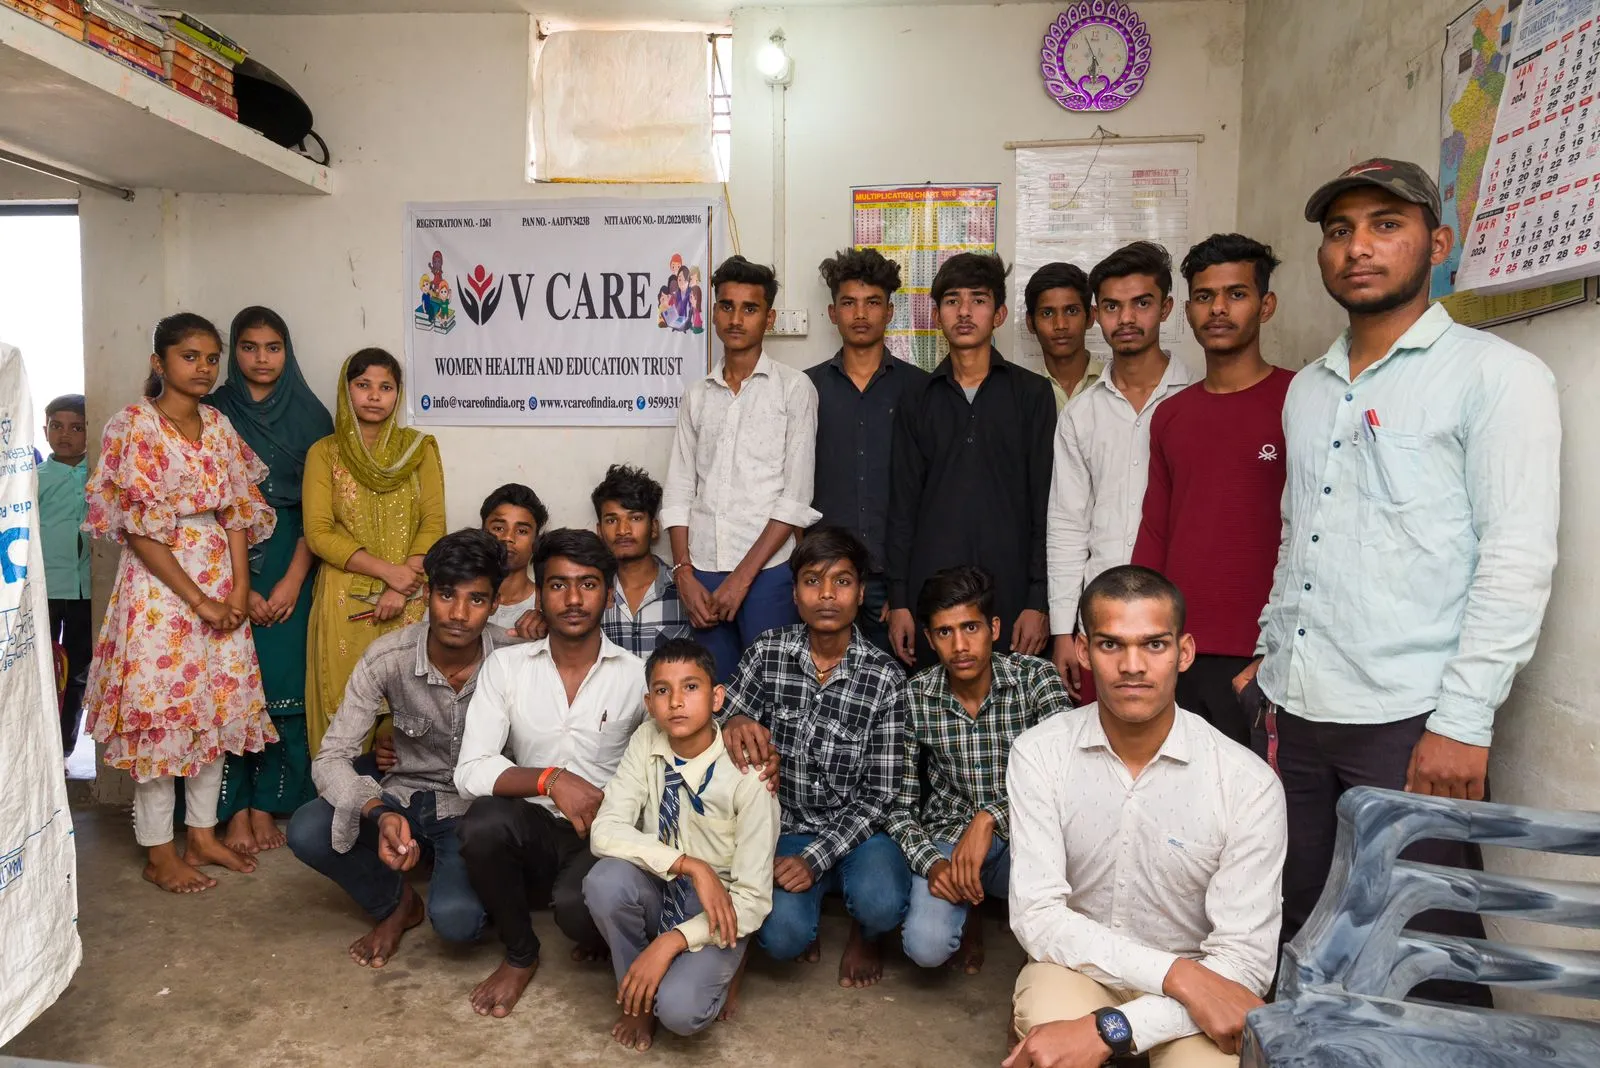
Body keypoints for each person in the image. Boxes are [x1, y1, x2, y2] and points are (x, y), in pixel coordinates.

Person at [1236, 159, 1560, 1006]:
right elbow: (1299, 533)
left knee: (1427, 945)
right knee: (1302, 924)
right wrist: (1271, 654)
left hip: (1409, 719)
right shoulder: (1309, 390)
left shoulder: (1496, 376)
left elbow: (1516, 556)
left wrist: (1463, 721)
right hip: (1298, 707)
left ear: (1437, 244)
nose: (1359, 248)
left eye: (1386, 225)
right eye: (1340, 231)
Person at [1006, 565, 1285, 1068]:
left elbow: (1245, 963)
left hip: (1203, 985)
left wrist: (1114, 1029)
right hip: (1082, 969)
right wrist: (1175, 975)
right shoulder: (1040, 753)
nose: (1132, 666)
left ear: (1184, 652)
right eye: (1111, 645)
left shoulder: (1247, 783)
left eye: (1154, 645)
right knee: (1046, 1023)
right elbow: (1037, 916)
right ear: (1084, 651)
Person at [80, 313, 278, 893]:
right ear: (158, 362)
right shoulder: (132, 426)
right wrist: (198, 600)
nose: (204, 368)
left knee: (216, 709)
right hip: (160, 589)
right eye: (190, 356)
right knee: (162, 716)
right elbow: (136, 529)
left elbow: (237, 512)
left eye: (212, 358)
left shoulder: (217, 425)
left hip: (218, 573)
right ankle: (159, 851)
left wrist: (236, 589)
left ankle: (202, 834)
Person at [287, 529, 514, 968]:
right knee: (309, 828)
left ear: (495, 604)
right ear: (427, 594)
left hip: (471, 813)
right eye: (446, 595)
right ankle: (396, 904)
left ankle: (446, 873)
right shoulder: (388, 657)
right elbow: (331, 758)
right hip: (403, 797)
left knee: (458, 924)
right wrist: (378, 811)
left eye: (476, 599)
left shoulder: (514, 657)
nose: (459, 614)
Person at [454, 528, 648, 1018]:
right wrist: (551, 779)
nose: (574, 599)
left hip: (602, 833)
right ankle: (520, 954)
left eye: (588, 584)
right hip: (533, 828)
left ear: (608, 594)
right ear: (539, 595)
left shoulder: (637, 676)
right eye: (558, 585)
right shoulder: (507, 666)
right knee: (483, 822)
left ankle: (588, 917)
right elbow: (471, 769)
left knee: (579, 915)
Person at [719, 526, 910, 987]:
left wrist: (815, 859)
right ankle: (810, 908)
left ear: (860, 593)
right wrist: (732, 720)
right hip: (787, 827)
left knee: (882, 904)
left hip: (860, 832)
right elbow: (719, 722)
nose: (827, 595)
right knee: (782, 938)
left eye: (842, 581)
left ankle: (865, 933)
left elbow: (880, 796)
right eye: (812, 581)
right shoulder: (767, 652)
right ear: (795, 593)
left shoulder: (884, 677)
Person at [1130, 236, 1291, 745]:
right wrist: (1144, 633)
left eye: (1236, 294)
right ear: (1188, 311)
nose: (1218, 309)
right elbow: (1156, 532)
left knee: (1264, 792)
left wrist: (1280, 646)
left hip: (1268, 651)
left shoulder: (1300, 400)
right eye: (1204, 296)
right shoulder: (1170, 415)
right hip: (1181, 648)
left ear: (1266, 305)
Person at [585, 637, 781, 1051]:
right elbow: (605, 829)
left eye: (691, 687)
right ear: (649, 703)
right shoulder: (646, 740)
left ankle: (724, 960)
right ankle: (635, 995)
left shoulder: (750, 774)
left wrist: (669, 942)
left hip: (719, 909)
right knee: (605, 880)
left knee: (679, 1012)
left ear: (717, 698)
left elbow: (752, 899)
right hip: (664, 883)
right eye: (662, 690)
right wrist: (690, 864)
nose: (676, 701)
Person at [886, 565, 1073, 973]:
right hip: (949, 835)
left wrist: (990, 817)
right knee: (925, 947)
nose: (960, 646)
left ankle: (1037, 952)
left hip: (1029, 834)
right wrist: (932, 863)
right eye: (945, 632)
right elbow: (898, 806)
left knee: (1080, 874)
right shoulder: (915, 696)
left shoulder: (1036, 679)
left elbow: (1069, 776)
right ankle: (969, 909)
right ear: (930, 639)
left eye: (971, 628)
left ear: (995, 628)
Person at [202, 306, 334, 855]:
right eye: (249, 347)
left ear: (287, 351)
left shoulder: (312, 416)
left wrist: (292, 582)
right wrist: (239, 588)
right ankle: (231, 811)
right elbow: (203, 507)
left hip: (291, 561)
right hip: (218, 563)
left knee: (283, 689)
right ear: (235, 351)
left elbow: (318, 511)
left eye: (273, 347)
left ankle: (266, 804)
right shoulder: (212, 412)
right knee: (229, 690)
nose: (261, 358)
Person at [887, 253, 1056, 669]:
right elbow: (902, 505)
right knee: (935, 699)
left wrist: (1039, 600)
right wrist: (900, 600)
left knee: (1014, 698)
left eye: (978, 300)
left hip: (1011, 588)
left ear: (999, 314)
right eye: (952, 301)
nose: (964, 312)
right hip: (932, 591)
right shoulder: (916, 398)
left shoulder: (1032, 394)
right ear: (936, 315)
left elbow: (1046, 504)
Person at [661, 255, 820, 682]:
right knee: (712, 693)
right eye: (726, 306)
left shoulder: (794, 389)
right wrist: (684, 573)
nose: (736, 319)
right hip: (702, 570)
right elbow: (679, 490)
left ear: (769, 318)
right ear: (713, 312)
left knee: (773, 691)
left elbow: (795, 498)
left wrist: (742, 579)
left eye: (749, 309)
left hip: (769, 572)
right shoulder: (697, 395)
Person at [1048, 241, 1195, 701]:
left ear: (1166, 308)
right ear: (1097, 315)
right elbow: (1067, 525)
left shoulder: (1196, 398)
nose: (1126, 318)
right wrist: (1063, 630)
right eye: (1112, 306)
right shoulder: (1081, 414)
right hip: (1102, 616)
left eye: (1141, 303)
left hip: (1182, 613)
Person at [303, 348, 445, 756]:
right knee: (346, 708)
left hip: (410, 595)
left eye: (386, 387)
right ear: (346, 389)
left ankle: (405, 796)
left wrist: (402, 585)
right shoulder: (324, 453)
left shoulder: (418, 449)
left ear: (398, 394)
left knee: (408, 711)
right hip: (344, 598)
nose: (374, 396)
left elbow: (433, 523)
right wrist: (388, 572)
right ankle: (342, 792)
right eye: (363, 385)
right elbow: (318, 533)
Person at [806, 248, 929, 656]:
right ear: (832, 312)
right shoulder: (805, 389)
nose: (860, 314)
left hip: (894, 581)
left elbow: (930, 494)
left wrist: (905, 590)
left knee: (896, 683)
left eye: (873, 303)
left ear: (889, 312)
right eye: (849, 303)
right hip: (822, 576)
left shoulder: (920, 389)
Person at [38, 392, 91, 758]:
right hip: (45, 589)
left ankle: (64, 750)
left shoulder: (100, 474)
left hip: (86, 592)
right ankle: (39, 747)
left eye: (76, 427)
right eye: (56, 426)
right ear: (45, 430)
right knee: (41, 669)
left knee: (77, 673)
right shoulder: (34, 479)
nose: (65, 435)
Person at [592, 463, 691, 658]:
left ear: (654, 528)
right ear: (599, 531)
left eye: (635, 518)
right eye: (611, 520)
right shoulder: (590, 592)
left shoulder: (683, 588)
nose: (623, 530)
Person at [1023, 262, 1103, 412]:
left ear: (1090, 317)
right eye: (1047, 313)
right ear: (1030, 323)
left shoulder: (1115, 383)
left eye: (1072, 311)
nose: (1060, 325)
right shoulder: (1019, 393)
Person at [480, 482, 547, 632]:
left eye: (522, 531)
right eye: (498, 528)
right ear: (482, 532)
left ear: (536, 541)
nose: (508, 537)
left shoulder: (547, 603)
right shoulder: (457, 598)